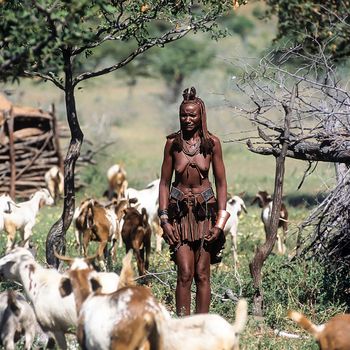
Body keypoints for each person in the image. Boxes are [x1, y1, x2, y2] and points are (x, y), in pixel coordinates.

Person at [158, 86, 230, 316]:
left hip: (205, 215)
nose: (187, 119)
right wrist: (164, 219)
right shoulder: (173, 144)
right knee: (185, 273)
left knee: (202, 273)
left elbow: (221, 184)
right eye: (183, 115)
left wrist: (219, 224)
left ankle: (202, 328)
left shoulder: (212, 144)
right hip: (179, 215)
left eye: (192, 115)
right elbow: (163, 183)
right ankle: (182, 326)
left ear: (201, 116)